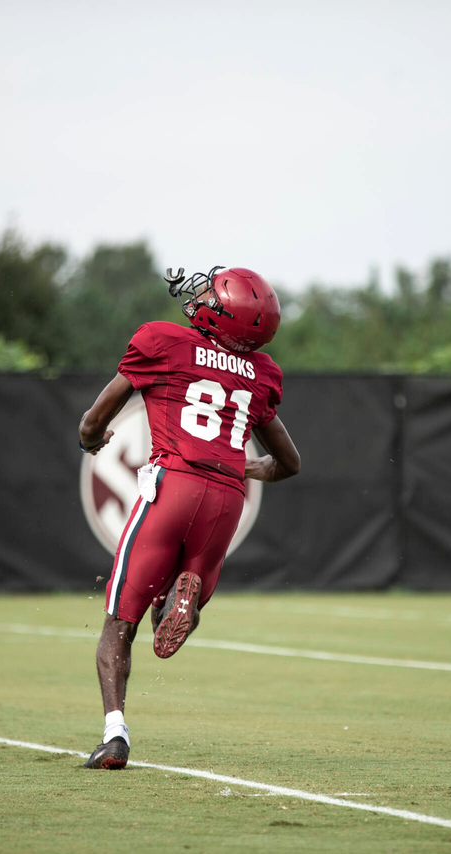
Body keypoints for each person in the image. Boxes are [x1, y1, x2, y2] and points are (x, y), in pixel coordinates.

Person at [76, 265, 301, 770]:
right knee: (178, 595)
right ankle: (184, 599)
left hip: (172, 484)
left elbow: (94, 419)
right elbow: (289, 463)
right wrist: (247, 468)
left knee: (118, 621)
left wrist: (91, 440)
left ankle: (115, 736)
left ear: (222, 313)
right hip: (226, 500)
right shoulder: (261, 373)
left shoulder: (165, 342)